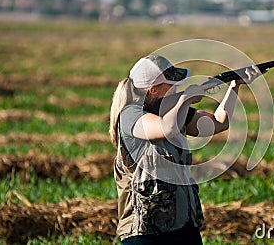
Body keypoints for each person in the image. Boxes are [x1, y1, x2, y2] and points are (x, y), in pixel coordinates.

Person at [109, 55, 260, 245]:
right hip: (144, 231)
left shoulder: (174, 111)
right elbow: (166, 128)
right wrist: (186, 98)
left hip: (183, 226)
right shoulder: (130, 115)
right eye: (171, 83)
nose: (176, 87)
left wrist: (235, 86)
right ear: (154, 90)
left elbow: (218, 123)